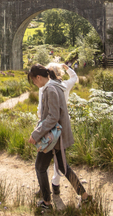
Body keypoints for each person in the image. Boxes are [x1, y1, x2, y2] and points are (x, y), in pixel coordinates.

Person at [27, 64, 91, 210]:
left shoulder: (50, 89)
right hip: (58, 137)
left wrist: (36, 134)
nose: (35, 84)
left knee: (40, 167)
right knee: (63, 167)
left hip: (53, 139)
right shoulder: (56, 85)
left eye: (34, 81)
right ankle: (85, 196)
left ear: (38, 77)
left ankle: (47, 203)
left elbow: (52, 117)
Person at [45, 63, 78, 195]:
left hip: (49, 124)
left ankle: (44, 185)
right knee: (60, 157)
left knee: (45, 155)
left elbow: (41, 107)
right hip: (62, 124)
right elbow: (74, 77)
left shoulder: (47, 86)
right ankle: (55, 184)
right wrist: (67, 68)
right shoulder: (65, 85)